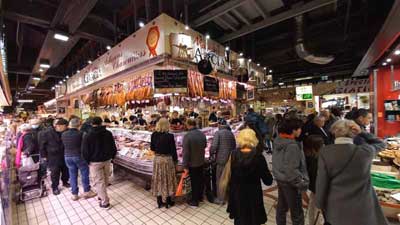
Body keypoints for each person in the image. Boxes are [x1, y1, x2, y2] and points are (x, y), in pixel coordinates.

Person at [316, 120, 389, 225]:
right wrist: (362, 132)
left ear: (335, 132)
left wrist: (319, 204)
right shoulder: (366, 151)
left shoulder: (325, 152)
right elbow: (381, 144)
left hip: (337, 206)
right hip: (363, 206)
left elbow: (322, 181)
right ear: (353, 132)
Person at [227, 128, 273, 225]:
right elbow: (268, 181)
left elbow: (230, 175)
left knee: (239, 219)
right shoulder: (258, 157)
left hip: (237, 194)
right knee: (253, 219)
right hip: (253, 194)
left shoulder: (233, 154)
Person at [272, 118, 308, 225]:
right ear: (293, 130)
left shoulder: (279, 140)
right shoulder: (292, 146)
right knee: (297, 211)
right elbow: (291, 169)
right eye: (299, 128)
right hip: (290, 182)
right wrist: (301, 183)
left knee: (282, 206)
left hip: (280, 178)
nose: (301, 130)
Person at [82, 117, 117, 208]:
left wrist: (87, 161)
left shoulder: (88, 135)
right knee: (105, 179)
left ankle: (105, 202)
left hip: (95, 162)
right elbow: (113, 147)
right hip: (107, 160)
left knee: (99, 182)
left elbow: (85, 151)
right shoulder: (108, 133)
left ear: (91, 124)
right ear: (101, 123)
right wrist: (112, 157)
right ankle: (101, 196)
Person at [61, 118, 97, 201]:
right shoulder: (82, 134)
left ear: (70, 125)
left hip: (67, 156)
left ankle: (74, 194)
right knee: (84, 174)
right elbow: (85, 147)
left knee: (72, 175)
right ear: (79, 125)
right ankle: (87, 191)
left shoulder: (63, 134)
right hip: (79, 156)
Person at [150, 118, 178, 208]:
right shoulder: (170, 136)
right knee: (168, 179)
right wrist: (176, 161)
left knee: (159, 179)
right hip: (167, 160)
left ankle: (159, 201)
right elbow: (173, 151)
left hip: (157, 160)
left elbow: (152, 148)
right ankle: (168, 201)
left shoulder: (154, 134)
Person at [39, 118, 70, 195]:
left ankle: (65, 182)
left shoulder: (65, 131)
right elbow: (42, 145)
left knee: (65, 170)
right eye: (65, 126)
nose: (66, 128)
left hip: (64, 154)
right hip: (52, 156)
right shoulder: (46, 133)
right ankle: (55, 187)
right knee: (55, 172)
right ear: (58, 126)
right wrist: (44, 156)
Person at [210, 120, 236, 204]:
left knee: (220, 179)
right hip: (230, 159)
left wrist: (211, 153)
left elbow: (214, 146)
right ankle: (230, 196)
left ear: (219, 125)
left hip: (221, 160)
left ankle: (220, 199)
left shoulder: (218, 133)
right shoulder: (230, 133)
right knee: (228, 178)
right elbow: (234, 145)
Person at [182, 118, 207, 207]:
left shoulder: (187, 136)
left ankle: (195, 201)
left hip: (192, 163)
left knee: (194, 182)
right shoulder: (202, 134)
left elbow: (186, 153)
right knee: (200, 180)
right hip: (201, 160)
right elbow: (205, 145)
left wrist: (185, 165)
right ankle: (200, 197)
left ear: (188, 124)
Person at [303, 135, 324, 225]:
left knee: (314, 211)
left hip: (316, 190)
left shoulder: (315, 159)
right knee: (316, 212)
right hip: (318, 190)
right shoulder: (317, 159)